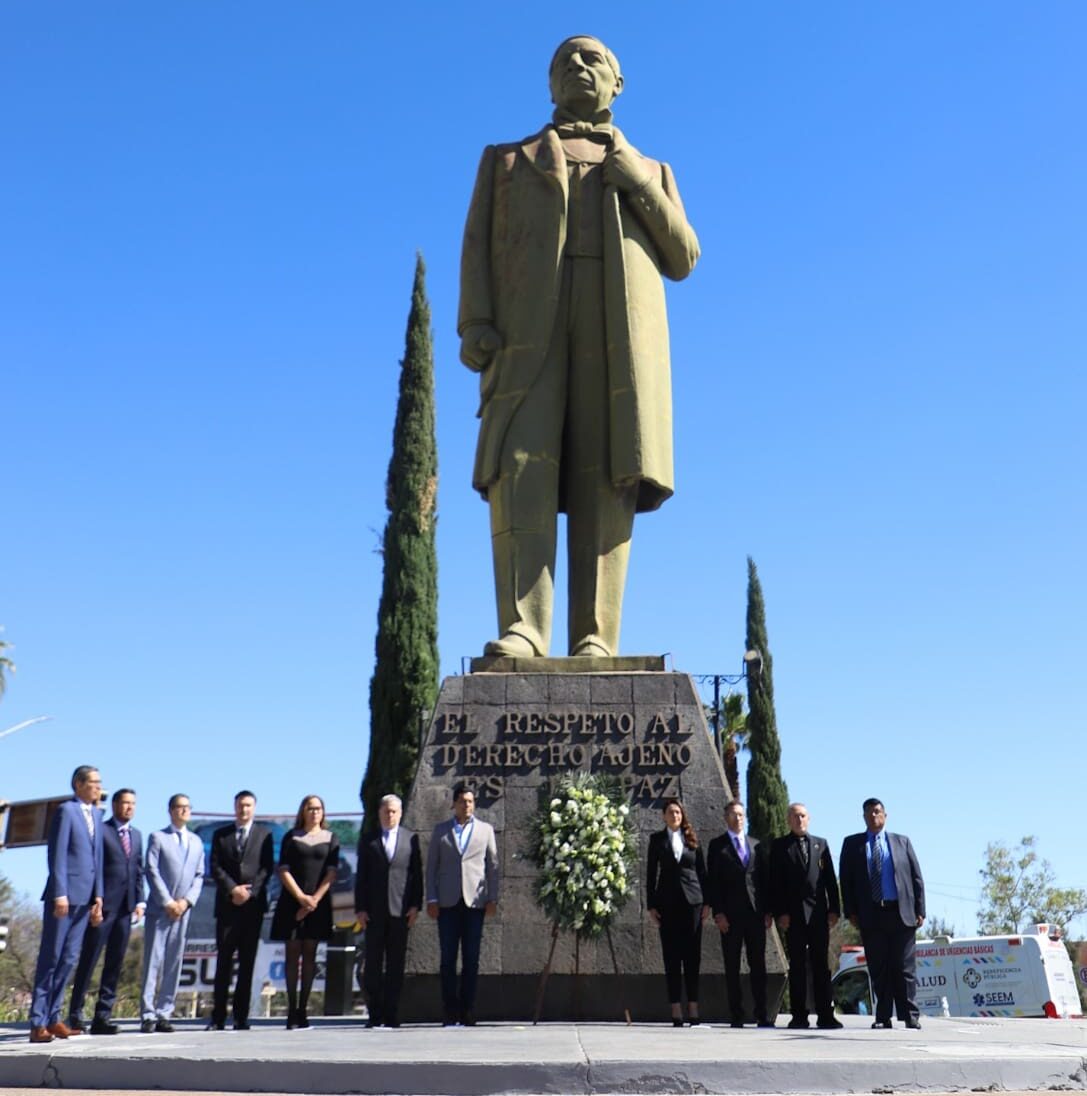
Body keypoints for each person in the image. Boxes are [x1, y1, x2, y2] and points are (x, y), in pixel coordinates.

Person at [458, 35, 700, 658]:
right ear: (549, 84)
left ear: (618, 84)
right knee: (522, 468)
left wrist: (636, 184)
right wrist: (474, 322)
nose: (577, 65)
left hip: (615, 336)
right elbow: (477, 246)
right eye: (564, 60)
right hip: (525, 334)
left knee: (605, 472)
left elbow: (684, 256)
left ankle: (596, 635)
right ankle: (525, 627)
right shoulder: (506, 161)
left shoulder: (653, 170)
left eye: (593, 59)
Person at [29, 765, 104, 1043]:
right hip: (64, 897)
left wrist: (99, 896)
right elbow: (56, 854)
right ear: (78, 784)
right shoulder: (66, 811)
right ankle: (38, 1022)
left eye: (99, 782)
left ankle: (54, 1017)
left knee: (69, 958)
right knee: (51, 957)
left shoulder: (96, 814)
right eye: (94, 782)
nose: (98, 787)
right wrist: (60, 892)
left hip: (86, 898)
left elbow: (97, 860)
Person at [839, 798, 926, 1030]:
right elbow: (846, 882)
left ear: (885, 815)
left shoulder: (901, 842)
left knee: (904, 967)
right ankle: (883, 1016)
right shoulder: (852, 844)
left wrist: (920, 909)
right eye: (868, 812)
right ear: (864, 817)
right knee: (879, 968)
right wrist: (851, 912)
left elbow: (917, 878)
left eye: (877, 811)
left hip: (901, 914)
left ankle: (910, 1015)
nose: (873, 816)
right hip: (871, 915)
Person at [67, 787, 144, 1036]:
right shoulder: (102, 830)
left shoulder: (138, 835)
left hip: (125, 908)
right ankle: (76, 1013)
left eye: (133, 803)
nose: (129, 807)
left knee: (114, 963)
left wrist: (140, 901)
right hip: (103, 906)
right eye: (124, 803)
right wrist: (94, 900)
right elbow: (95, 867)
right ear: (114, 805)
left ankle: (103, 1015)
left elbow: (138, 871)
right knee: (89, 959)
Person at [425, 783, 499, 1026]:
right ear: (454, 804)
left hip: (474, 903)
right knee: (447, 959)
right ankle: (449, 1009)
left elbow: (493, 867)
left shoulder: (485, 830)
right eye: (462, 801)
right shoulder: (441, 831)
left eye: (470, 801)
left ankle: (467, 1009)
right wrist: (432, 899)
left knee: (471, 958)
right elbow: (431, 868)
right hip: (446, 903)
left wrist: (492, 897)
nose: (466, 805)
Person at [769, 802, 842, 1030]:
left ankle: (825, 1015)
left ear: (808, 819)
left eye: (802, 816)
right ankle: (799, 1015)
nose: (799, 820)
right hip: (793, 917)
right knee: (798, 967)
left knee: (821, 966)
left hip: (819, 916)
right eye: (794, 816)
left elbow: (830, 879)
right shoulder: (780, 847)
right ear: (788, 820)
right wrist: (780, 913)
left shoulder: (821, 845)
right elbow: (776, 883)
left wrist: (834, 910)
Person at [271, 794, 340, 1029]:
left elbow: (331, 872)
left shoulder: (331, 838)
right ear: (303, 811)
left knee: (310, 955)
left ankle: (303, 1010)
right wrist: (300, 898)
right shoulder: (292, 837)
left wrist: (313, 901)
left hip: (318, 905)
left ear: (323, 812)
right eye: (310, 808)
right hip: (292, 901)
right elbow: (283, 869)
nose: (314, 812)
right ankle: (291, 1011)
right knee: (292, 955)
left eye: (318, 808)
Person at [354, 793, 422, 1028]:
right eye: (386, 811)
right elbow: (360, 877)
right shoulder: (368, 840)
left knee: (395, 965)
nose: (390, 815)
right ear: (380, 813)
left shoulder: (410, 839)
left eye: (394, 811)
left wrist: (416, 905)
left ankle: (392, 1014)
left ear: (400, 813)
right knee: (372, 966)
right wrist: (360, 908)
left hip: (401, 911)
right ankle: (374, 1013)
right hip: (374, 912)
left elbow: (416, 876)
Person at [209, 789, 275, 1031]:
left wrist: (250, 892)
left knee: (247, 964)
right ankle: (217, 1017)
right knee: (224, 963)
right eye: (240, 805)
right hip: (227, 908)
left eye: (248, 805)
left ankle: (241, 1017)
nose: (244, 809)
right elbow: (215, 867)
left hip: (252, 908)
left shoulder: (264, 835)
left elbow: (267, 868)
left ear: (254, 808)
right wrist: (233, 890)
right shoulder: (221, 835)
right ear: (234, 807)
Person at [141, 793, 204, 1033]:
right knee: (153, 962)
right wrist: (167, 901)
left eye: (187, 807)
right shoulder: (158, 837)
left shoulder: (196, 842)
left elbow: (199, 875)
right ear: (170, 810)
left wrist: (186, 902)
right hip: (161, 909)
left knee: (174, 962)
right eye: (179, 807)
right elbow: (152, 870)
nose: (184, 811)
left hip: (183, 911)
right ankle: (148, 1014)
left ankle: (164, 1012)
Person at [706, 800, 773, 1028]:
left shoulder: (756, 845)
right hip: (730, 916)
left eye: (741, 815)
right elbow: (713, 883)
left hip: (755, 914)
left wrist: (767, 912)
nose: (738, 818)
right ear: (726, 817)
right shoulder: (717, 846)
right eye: (734, 815)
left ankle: (762, 1014)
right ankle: (737, 1014)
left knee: (759, 966)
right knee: (732, 966)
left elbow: (764, 881)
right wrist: (719, 913)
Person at [645, 798, 708, 1026]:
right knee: (671, 956)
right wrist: (651, 905)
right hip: (667, 904)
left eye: (679, 813)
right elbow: (651, 874)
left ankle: (693, 1006)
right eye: (671, 812)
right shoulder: (657, 840)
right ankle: (675, 1008)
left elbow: (702, 872)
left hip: (693, 903)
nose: (675, 816)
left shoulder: (692, 839)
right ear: (664, 816)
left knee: (692, 956)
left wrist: (707, 903)